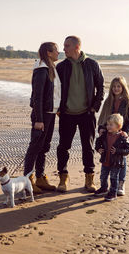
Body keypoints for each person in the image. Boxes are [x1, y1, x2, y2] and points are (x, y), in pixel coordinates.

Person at [56, 35, 104, 192]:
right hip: (66, 114)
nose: (64, 49)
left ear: (77, 47)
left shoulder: (92, 64)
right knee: (63, 147)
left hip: (86, 114)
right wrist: (58, 108)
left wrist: (94, 107)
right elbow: (55, 90)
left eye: (67, 46)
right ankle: (63, 178)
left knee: (87, 147)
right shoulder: (61, 67)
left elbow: (101, 87)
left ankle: (89, 178)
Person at [24, 42, 61, 193]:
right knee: (35, 147)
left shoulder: (50, 67)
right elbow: (38, 96)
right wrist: (39, 119)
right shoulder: (41, 69)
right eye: (56, 50)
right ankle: (27, 181)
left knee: (44, 147)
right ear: (49, 52)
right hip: (42, 115)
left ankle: (40, 177)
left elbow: (53, 93)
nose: (59, 53)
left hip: (50, 113)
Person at [98, 76, 129, 196]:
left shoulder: (127, 101)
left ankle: (120, 183)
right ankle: (105, 185)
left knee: (121, 158)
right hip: (109, 133)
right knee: (109, 155)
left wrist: (126, 131)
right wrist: (101, 129)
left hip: (121, 133)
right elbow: (103, 118)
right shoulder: (108, 101)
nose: (116, 88)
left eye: (118, 86)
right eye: (114, 86)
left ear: (123, 87)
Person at [95, 114, 129, 201]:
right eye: (107, 124)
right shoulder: (104, 135)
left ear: (118, 126)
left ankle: (113, 193)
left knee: (114, 178)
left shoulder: (122, 137)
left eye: (111, 125)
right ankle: (104, 188)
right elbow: (97, 142)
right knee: (103, 176)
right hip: (105, 160)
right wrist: (98, 149)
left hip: (116, 162)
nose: (108, 126)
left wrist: (117, 151)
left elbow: (128, 150)